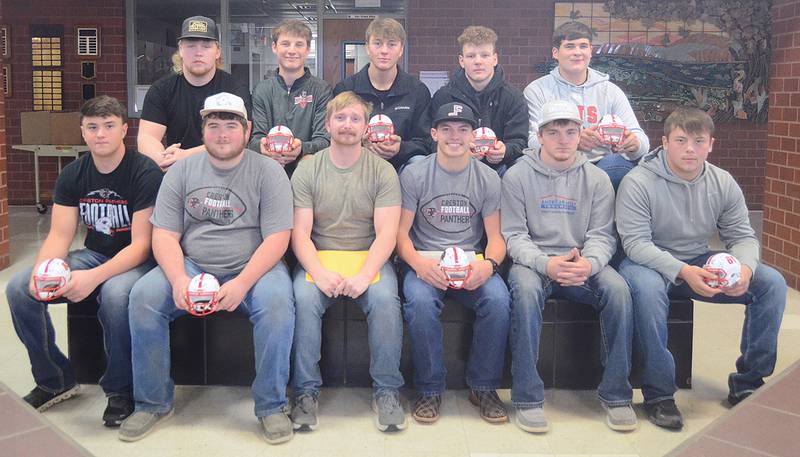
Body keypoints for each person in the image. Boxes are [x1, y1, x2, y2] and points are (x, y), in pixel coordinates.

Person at [119, 93, 295, 444]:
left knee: (277, 306)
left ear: (247, 132)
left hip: (254, 267)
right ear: (203, 132)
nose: (222, 134)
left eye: (231, 126)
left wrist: (243, 283)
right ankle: (152, 402)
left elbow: (278, 238)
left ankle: (271, 406)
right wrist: (178, 278)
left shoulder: (269, 171)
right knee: (142, 297)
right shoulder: (181, 170)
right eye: (213, 126)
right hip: (193, 262)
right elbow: (164, 234)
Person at [616, 107, 787, 430]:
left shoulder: (722, 182)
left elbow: (742, 236)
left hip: (698, 259)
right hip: (649, 263)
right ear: (665, 142)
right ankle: (659, 394)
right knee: (648, 291)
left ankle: (748, 380)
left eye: (698, 141)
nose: (690, 149)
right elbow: (635, 244)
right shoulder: (638, 182)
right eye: (681, 140)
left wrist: (746, 269)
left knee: (772, 284)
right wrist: (682, 272)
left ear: (711, 144)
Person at [6, 95, 162, 427]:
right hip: (93, 254)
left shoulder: (144, 172)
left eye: (108, 126)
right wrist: (44, 269)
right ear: (82, 131)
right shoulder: (74, 174)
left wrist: (94, 278)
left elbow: (142, 246)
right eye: (92, 127)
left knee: (115, 296)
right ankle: (54, 379)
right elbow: (60, 236)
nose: (100, 134)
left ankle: (120, 390)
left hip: (136, 260)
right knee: (21, 288)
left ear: (124, 129)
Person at [501, 99, 636, 433]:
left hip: (582, 263)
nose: (563, 139)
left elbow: (603, 235)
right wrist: (545, 263)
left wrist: (589, 264)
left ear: (580, 136)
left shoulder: (598, 179)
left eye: (570, 132)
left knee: (618, 290)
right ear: (541, 136)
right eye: (554, 131)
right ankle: (528, 398)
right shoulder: (517, 176)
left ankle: (617, 394)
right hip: (534, 263)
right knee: (526, 290)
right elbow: (514, 236)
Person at [290, 91, 406, 432]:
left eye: (355, 119)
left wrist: (366, 275)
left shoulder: (383, 172)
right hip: (321, 257)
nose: (347, 125)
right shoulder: (307, 170)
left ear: (366, 128)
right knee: (303, 297)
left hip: (367, 256)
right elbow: (300, 235)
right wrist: (319, 273)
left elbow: (387, 234)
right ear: (327, 125)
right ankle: (306, 392)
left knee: (385, 300)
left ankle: (387, 391)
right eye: (340, 118)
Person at [397, 102, 511, 424]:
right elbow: (400, 236)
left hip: (472, 260)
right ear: (434, 133)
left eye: (463, 129)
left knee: (499, 299)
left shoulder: (488, 178)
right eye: (446, 129)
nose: (455, 136)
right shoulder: (415, 173)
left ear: (473, 136)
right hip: (426, 260)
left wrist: (488, 266)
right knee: (419, 302)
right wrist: (419, 264)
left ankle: (484, 386)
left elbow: (496, 238)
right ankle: (430, 389)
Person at [523, 21, 649, 189]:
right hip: (556, 163)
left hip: (602, 164)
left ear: (591, 50)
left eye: (583, 46)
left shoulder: (610, 91)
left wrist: (634, 145)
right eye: (569, 46)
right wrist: (573, 141)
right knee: (523, 168)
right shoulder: (537, 90)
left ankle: (607, 216)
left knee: (618, 165)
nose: (577, 52)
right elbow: (532, 141)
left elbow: (641, 142)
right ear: (555, 53)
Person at [138, 15, 252, 170]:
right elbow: (147, 137)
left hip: (225, 171)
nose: (198, 52)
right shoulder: (161, 90)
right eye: (191, 46)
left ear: (217, 51)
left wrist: (186, 157)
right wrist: (163, 160)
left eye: (206, 46)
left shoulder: (235, 89)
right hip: (177, 172)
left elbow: (241, 138)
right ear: (180, 50)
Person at [333, 17, 431, 170]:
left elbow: (426, 140)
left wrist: (401, 148)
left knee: (419, 162)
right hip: (358, 164)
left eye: (392, 44)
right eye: (377, 43)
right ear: (367, 47)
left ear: (401, 50)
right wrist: (359, 144)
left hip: (403, 165)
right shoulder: (346, 89)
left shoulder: (417, 90)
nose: (384, 51)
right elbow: (334, 136)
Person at [428, 26, 527, 175]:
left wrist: (505, 151)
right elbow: (430, 140)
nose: (478, 61)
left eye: (485, 55)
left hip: (499, 168)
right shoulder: (443, 97)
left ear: (495, 59)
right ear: (461, 61)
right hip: (453, 167)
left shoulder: (513, 97)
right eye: (471, 56)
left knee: (520, 167)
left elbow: (519, 141)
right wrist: (457, 150)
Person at [248, 19, 332, 175]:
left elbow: (324, 140)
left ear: (308, 49)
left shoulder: (322, 90)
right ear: (274, 47)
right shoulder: (261, 90)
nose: (292, 50)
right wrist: (263, 146)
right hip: (268, 175)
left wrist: (302, 149)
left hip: (310, 175)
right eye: (285, 44)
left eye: (299, 44)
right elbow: (254, 138)